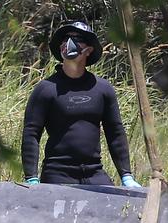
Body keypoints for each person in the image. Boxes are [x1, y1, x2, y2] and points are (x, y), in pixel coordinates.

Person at [21, 20, 140, 187]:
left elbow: (115, 132)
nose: (69, 44)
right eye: (65, 39)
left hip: (94, 172)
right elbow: (31, 133)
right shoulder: (45, 89)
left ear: (89, 50)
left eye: (77, 39)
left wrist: (126, 176)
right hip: (57, 174)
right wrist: (31, 177)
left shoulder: (102, 89)